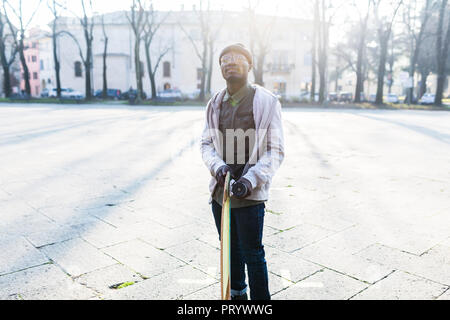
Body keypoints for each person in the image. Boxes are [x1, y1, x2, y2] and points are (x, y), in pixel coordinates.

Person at [200, 43, 285, 300]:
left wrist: (250, 180)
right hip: (221, 194)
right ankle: (238, 295)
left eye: (238, 58)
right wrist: (218, 167)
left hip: (251, 194)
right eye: (225, 59)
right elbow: (206, 143)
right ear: (221, 68)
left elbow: (275, 150)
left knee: (253, 253)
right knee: (229, 249)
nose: (230, 61)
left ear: (250, 66)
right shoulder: (215, 103)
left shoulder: (266, 102)